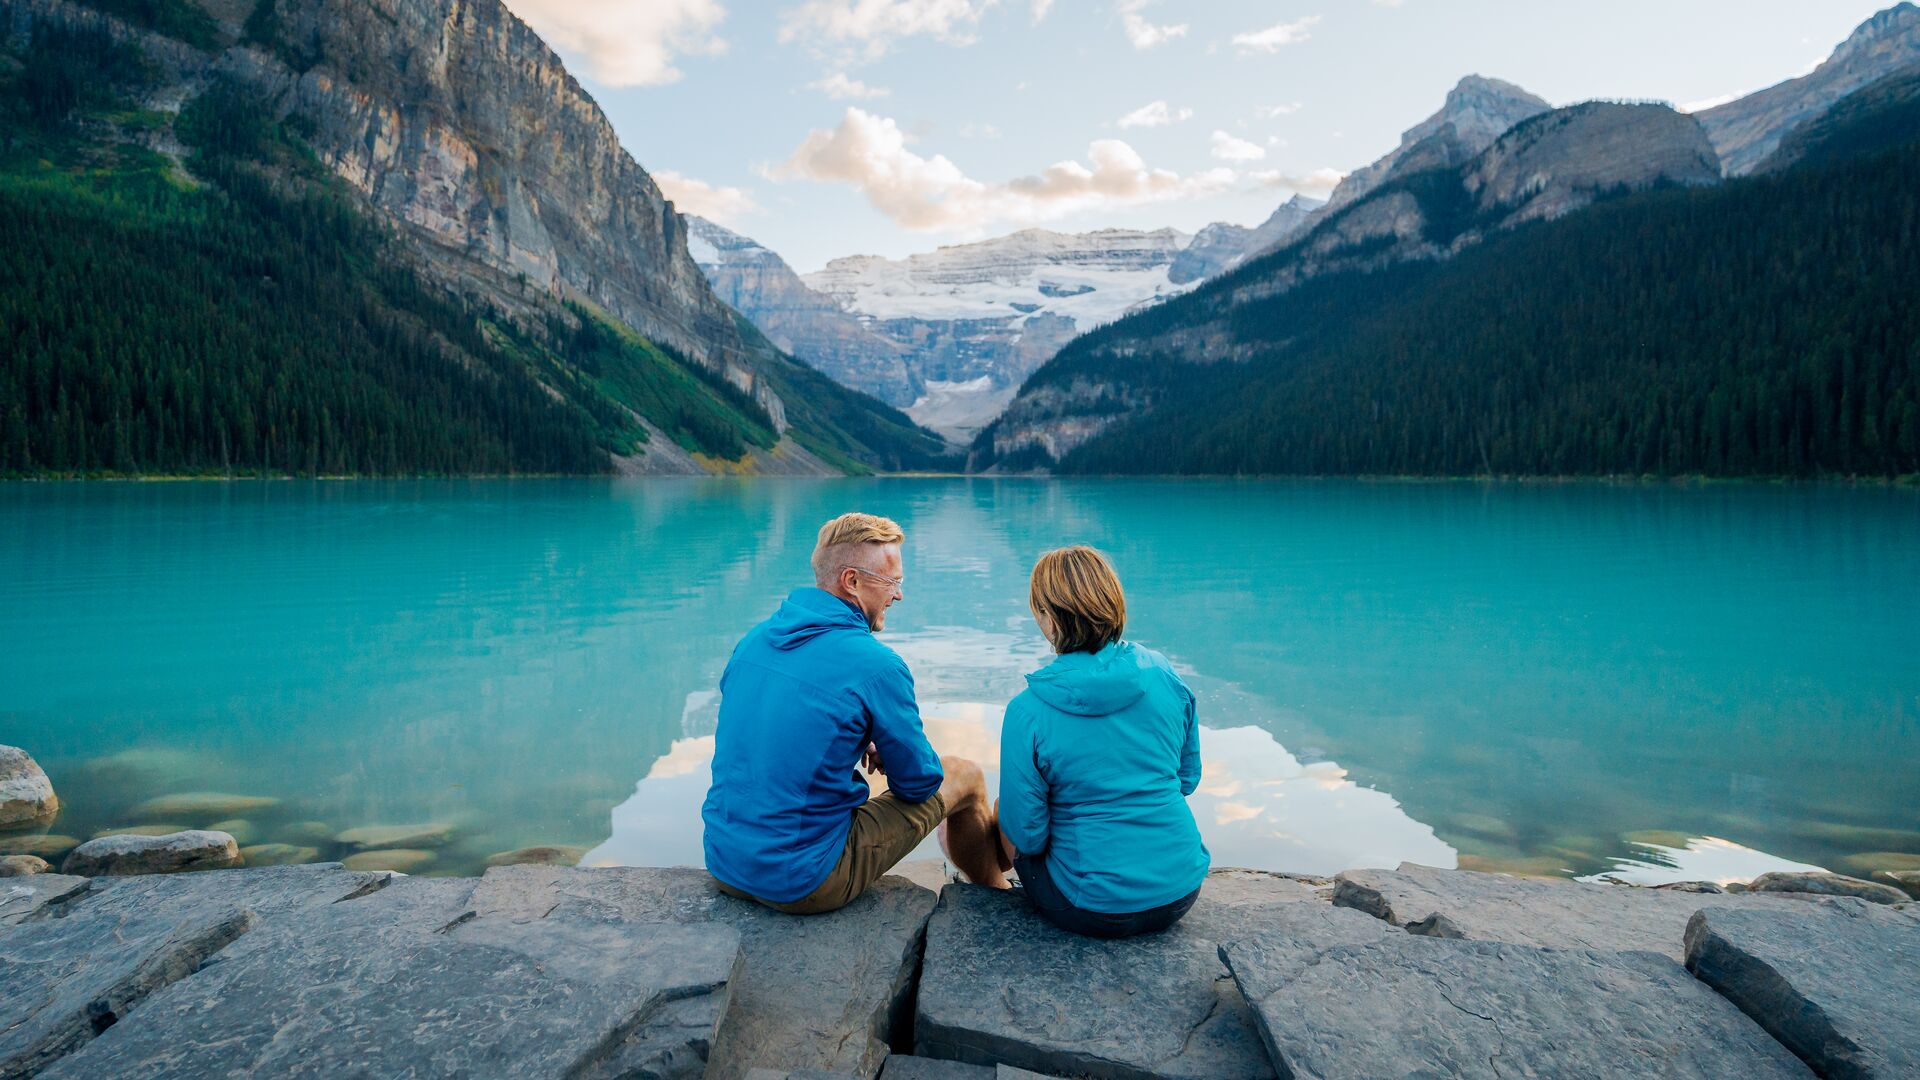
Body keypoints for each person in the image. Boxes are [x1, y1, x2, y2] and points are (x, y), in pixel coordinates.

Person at [702, 512, 1008, 914]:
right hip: (803, 882)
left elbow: (772, 732)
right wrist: (888, 745)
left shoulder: (752, 641)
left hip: (725, 863)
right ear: (852, 581)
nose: (898, 595)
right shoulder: (876, 666)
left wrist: (858, 732)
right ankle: (997, 892)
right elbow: (918, 785)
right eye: (892, 582)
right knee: (964, 775)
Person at [997, 545, 1210, 938]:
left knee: (1003, 807)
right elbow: (1186, 778)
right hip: (1182, 890)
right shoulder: (1162, 672)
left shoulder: (1027, 710)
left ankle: (990, 892)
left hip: (1091, 906)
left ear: (1048, 618)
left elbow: (1028, 835)